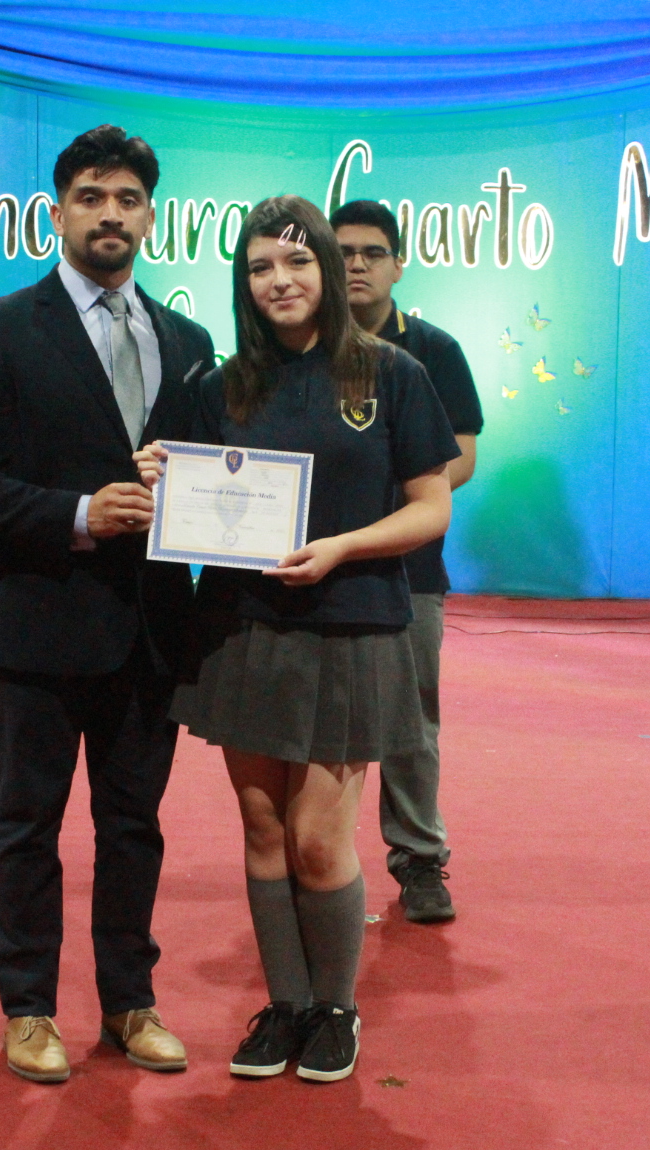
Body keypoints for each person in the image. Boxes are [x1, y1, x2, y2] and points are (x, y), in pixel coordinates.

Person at [140, 195, 458, 1084]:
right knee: (261, 825)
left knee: (319, 837)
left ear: (326, 265)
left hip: (353, 625)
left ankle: (335, 1008)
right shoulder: (218, 387)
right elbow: (187, 500)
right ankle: (284, 1006)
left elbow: (431, 506)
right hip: (241, 627)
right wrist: (158, 473)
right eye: (259, 268)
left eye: (296, 262)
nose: (278, 281)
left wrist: (342, 549)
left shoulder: (391, 374)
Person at [0, 125, 215, 1084]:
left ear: (150, 216)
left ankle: (131, 1002)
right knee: (28, 831)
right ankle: (29, 1010)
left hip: (151, 633)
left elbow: (211, 482)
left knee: (134, 829)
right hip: (39, 624)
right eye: (91, 197)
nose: (110, 214)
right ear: (58, 212)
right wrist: (79, 515)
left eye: (127, 199)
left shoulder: (189, 342)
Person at [331, 199, 481, 925]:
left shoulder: (434, 351)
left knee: (412, 722)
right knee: (317, 722)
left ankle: (419, 859)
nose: (356, 264)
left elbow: (464, 458)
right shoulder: (297, 348)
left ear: (398, 265)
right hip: (313, 568)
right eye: (342, 252)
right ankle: (313, 861)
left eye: (372, 252)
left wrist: (391, 509)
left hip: (410, 570)